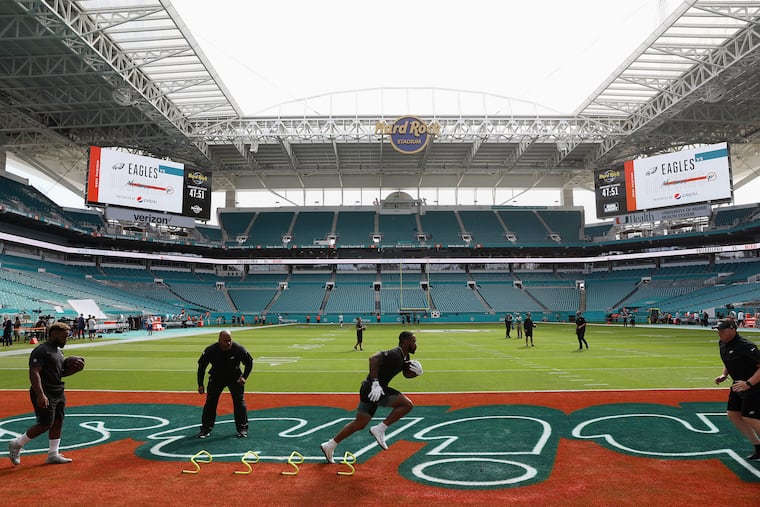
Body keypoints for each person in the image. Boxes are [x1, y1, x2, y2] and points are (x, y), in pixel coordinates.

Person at [320, 331, 422, 463]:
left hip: (369, 390)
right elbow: (373, 358)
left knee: (359, 424)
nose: (416, 344)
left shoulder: (404, 357)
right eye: (414, 341)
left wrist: (416, 371)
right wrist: (375, 383)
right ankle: (379, 429)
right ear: (407, 342)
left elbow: (406, 373)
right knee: (406, 405)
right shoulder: (395, 354)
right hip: (373, 389)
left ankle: (330, 445)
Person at [8, 322, 84, 465]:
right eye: (64, 337)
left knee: (58, 421)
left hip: (58, 391)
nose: (66, 340)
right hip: (45, 392)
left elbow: (59, 374)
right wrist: (40, 394)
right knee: (45, 424)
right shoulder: (41, 350)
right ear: (53, 335)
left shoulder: (58, 352)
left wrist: (74, 370)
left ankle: (53, 454)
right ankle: (17, 444)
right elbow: (34, 373)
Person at [713, 319, 760, 460]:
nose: (719, 333)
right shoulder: (722, 344)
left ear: (733, 329)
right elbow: (728, 361)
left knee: (750, 417)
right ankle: (758, 446)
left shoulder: (746, 346)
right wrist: (724, 375)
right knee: (733, 414)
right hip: (738, 384)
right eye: (718, 330)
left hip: (754, 386)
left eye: (722, 330)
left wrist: (748, 384)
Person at [196, 329, 253, 439]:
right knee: (210, 403)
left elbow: (249, 362)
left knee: (239, 403)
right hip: (217, 377)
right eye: (225, 341)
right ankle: (205, 429)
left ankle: (242, 429)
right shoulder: (211, 350)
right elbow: (201, 367)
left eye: (230, 340)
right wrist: (200, 384)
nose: (228, 343)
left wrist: (244, 377)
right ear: (219, 340)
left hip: (235, 378)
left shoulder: (238, 349)